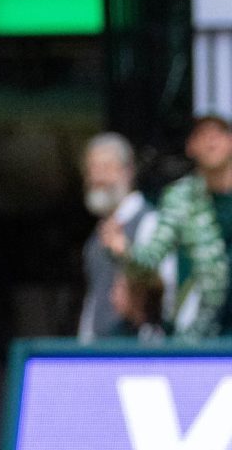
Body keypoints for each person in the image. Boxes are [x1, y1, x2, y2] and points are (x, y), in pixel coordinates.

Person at [103, 116, 232, 338]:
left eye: (218, 134)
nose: (211, 142)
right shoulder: (180, 198)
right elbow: (152, 257)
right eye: (203, 135)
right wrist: (125, 253)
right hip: (200, 330)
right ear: (190, 147)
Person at [77, 132, 164, 342]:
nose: (97, 178)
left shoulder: (150, 221)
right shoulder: (98, 234)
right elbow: (95, 297)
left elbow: (163, 289)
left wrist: (127, 255)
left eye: (106, 168)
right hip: (100, 351)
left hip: (139, 352)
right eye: (91, 169)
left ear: (128, 172)